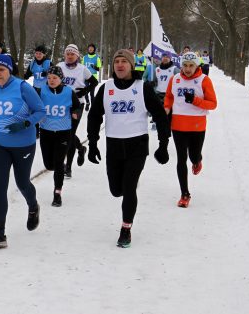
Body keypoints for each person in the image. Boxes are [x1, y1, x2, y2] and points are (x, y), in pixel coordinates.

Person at [87, 49, 170, 248]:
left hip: (137, 145)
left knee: (129, 187)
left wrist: (163, 144)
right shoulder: (106, 88)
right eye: (117, 61)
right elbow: (94, 116)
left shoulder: (143, 87)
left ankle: (126, 228)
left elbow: (159, 115)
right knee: (116, 190)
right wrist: (92, 143)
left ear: (131, 65)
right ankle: (126, 190)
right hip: (114, 144)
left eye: (124, 61)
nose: (120, 65)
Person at [0, 54, 46, 248]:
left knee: (22, 182)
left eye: (1, 70)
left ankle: (33, 206)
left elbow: (41, 111)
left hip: (23, 144)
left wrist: (25, 123)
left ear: (9, 70)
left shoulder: (23, 87)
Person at [164, 51, 218, 208]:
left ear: (197, 66)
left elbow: (213, 104)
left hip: (197, 126)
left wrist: (195, 100)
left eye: (191, 66)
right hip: (178, 125)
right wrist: (166, 108)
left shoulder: (204, 80)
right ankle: (184, 194)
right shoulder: (175, 79)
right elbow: (169, 97)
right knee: (181, 159)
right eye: (185, 65)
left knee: (193, 156)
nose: (187, 69)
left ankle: (197, 161)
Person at [38, 65, 81, 207]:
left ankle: (57, 193)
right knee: (49, 165)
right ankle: (60, 165)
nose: (51, 80)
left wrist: (76, 112)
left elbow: (77, 106)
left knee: (57, 165)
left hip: (63, 133)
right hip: (46, 132)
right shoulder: (42, 91)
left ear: (61, 79)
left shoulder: (69, 92)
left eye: (54, 78)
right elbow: (34, 106)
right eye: (49, 78)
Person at [57, 44, 98, 178]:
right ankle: (81, 148)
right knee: (63, 133)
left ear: (77, 56)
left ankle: (68, 167)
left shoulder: (82, 69)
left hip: (77, 105)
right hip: (61, 104)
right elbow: (50, 81)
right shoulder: (59, 66)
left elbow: (94, 82)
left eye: (72, 54)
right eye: (67, 54)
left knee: (69, 134)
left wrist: (84, 91)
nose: (69, 56)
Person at [81, 43, 102, 112]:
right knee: (86, 91)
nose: (90, 49)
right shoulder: (84, 57)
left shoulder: (97, 58)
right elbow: (82, 67)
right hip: (86, 77)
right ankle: (87, 102)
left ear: (94, 49)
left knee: (92, 93)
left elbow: (99, 68)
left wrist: (95, 67)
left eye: (92, 48)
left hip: (93, 78)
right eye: (89, 47)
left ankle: (93, 106)